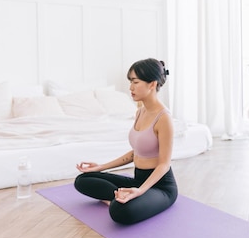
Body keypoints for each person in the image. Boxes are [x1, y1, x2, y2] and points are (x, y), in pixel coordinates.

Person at [74, 58, 178, 225]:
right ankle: (121, 196)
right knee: (82, 180)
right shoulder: (140, 111)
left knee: (119, 212)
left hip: (160, 186)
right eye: (130, 82)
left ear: (152, 84)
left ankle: (122, 199)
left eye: (135, 82)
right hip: (138, 179)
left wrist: (140, 191)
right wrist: (100, 167)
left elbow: (164, 164)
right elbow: (136, 152)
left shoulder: (164, 118)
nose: (130, 88)